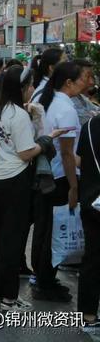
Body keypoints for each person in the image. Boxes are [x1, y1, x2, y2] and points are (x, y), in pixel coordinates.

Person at [0, 65, 60, 312]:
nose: (32, 91)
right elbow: (26, 153)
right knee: (13, 239)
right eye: (30, 87)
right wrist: (46, 141)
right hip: (14, 181)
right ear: (23, 88)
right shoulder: (18, 116)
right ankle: (9, 298)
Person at [31, 61, 86, 303]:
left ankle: (44, 279)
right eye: (86, 78)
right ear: (69, 82)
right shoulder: (67, 109)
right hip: (60, 176)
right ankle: (45, 283)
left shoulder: (49, 99)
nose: (90, 82)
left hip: (46, 175)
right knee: (53, 231)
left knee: (45, 229)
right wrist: (74, 187)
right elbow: (66, 154)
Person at [76, 112, 100, 331]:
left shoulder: (89, 126)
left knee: (92, 258)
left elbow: (81, 159)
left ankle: (88, 315)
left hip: (91, 201)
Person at [72, 59, 99, 126]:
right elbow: (89, 123)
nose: (91, 82)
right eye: (87, 76)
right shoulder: (70, 101)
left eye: (92, 77)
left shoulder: (81, 97)